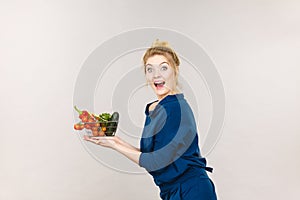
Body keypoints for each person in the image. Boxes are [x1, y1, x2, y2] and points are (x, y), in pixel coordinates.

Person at [84, 40, 217, 200]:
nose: (156, 75)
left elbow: (155, 162)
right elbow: (150, 155)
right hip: (171, 191)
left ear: (175, 70)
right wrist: (115, 140)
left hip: (192, 191)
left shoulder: (176, 108)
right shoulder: (155, 108)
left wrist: (114, 145)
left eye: (163, 68)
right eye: (150, 69)